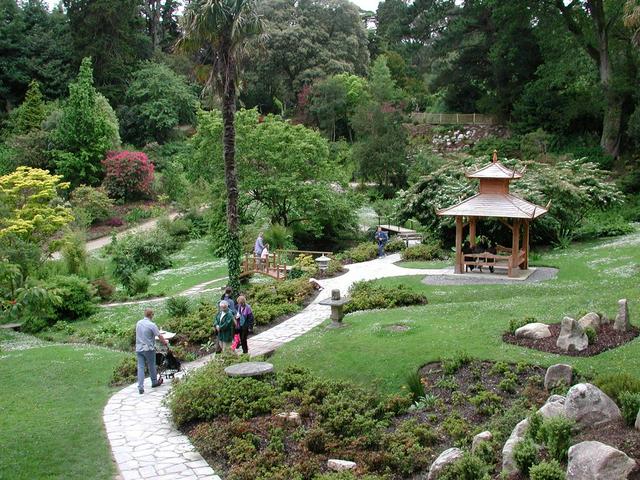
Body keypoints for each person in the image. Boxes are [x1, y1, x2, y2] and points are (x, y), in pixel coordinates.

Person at [135, 308, 168, 394]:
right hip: (148, 349)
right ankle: (154, 382)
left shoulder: (138, 323)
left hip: (139, 348)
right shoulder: (152, 325)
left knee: (140, 367)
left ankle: (140, 387)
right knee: (151, 365)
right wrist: (165, 342)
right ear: (151, 315)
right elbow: (159, 335)